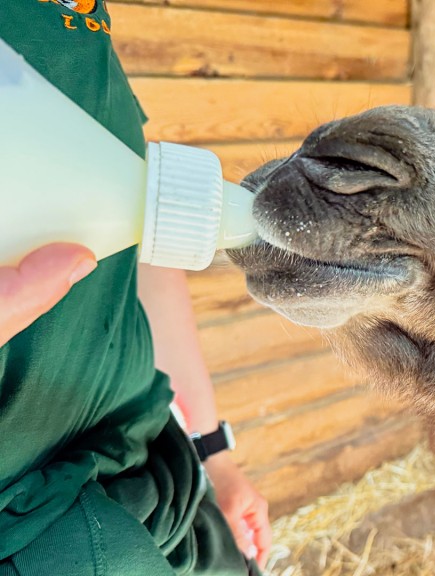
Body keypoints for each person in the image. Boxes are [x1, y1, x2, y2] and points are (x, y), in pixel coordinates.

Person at [0, 1, 271, 574]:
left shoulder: (85, 23)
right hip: (32, 516)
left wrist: (212, 453)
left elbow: (143, 237)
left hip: (151, 467)